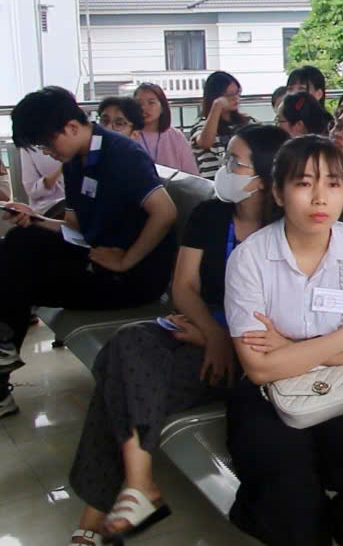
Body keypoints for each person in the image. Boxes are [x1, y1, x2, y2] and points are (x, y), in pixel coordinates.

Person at [66, 123, 288, 546]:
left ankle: (100, 514)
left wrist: (224, 342)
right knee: (128, 344)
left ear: (264, 177)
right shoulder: (212, 214)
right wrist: (212, 334)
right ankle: (139, 482)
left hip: (252, 355)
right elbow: (183, 287)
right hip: (202, 332)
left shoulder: (288, 231)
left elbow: (282, 320)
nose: (224, 168)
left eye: (235, 163)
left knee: (120, 374)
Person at [222, 135, 343, 546]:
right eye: (303, 183)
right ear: (279, 193)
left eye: (333, 184)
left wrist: (287, 347)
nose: (320, 198)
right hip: (269, 394)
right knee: (287, 495)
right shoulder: (250, 259)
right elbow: (259, 367)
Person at [0, 87, 179, 419]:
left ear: (71, 127)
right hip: (95, 256)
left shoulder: (120, 154)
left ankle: (3, 357)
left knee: (19, 280)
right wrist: (35, 219)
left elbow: (165, 213)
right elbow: (75, 228)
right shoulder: (76, 160)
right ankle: (4, 348)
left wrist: (127, 260)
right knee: (18, 242)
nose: (47, 153)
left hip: (131, 278)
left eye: (46, 144)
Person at [190, 71, 254, 179]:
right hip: (213, 185)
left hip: (244, 182)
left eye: (237, 93)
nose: (235, 98)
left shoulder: (248, 122)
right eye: (229, 95)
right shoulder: (201, 125)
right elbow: (205, 142)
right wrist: (217, 107)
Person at [133, 83, 200, 175]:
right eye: (139, 104)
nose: (144, 108)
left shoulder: (175, 136)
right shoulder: (129, 135)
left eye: (151, 102)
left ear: (162, 107)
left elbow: (191, 175)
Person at [19, 146, 66, 218]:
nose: (45, 153)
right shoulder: (28, 147)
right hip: (48, 209)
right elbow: (32, 190)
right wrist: (61, 169)